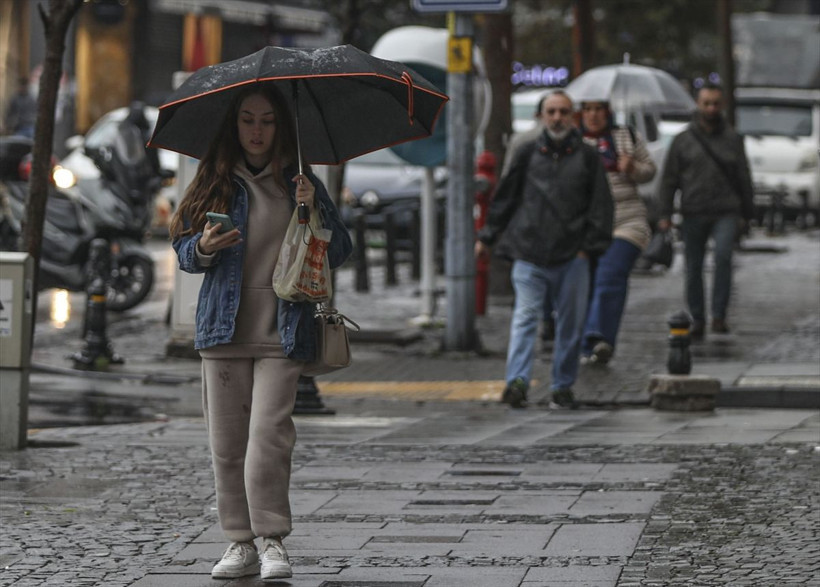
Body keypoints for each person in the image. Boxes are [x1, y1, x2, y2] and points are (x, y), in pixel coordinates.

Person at [169, 84, 352, 581]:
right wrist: (205, 245)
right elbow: (184, 251)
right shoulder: (214, 180)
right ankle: (240, 543)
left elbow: (339, 250)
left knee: (270, 435)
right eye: (248, 119)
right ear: (235, 125)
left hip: (284, 328)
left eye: (267, 120)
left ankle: (272, 539)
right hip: (222, 329)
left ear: (280, 127)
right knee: (227, 443)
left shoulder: (299, 180)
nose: (256, 130)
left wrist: (314, 208)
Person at [476, 90, 613, 409]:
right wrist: (487, 236)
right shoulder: (527, 152)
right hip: (530, 251)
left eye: (563, 112)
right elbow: (506, 198)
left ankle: (562, 385)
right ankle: (517, 381)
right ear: (541, 116)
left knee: (570, 324)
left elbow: (600, 207)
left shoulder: (588, 157)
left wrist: (587, 248)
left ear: (572, 117)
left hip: (572, 255)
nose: (557, 118)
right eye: (551, 111)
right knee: (525, 317)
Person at [658, 82, 754, 338]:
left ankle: (719, 315)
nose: (711, 108)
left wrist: (747, 212)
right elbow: (669, 179)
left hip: (726, 211)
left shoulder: (732, 138)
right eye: (706, 103)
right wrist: (664, 214)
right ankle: (698, 316)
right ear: (698, 105)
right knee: (693, 267)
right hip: (693, 211)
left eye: (715, 103)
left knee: (723, 258)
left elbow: (743, 176)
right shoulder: (683, 140)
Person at [579, 101, 656, 364]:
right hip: (588, 223)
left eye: (599, 109)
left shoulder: (627, 136)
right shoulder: (575, 140)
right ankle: (598, 343)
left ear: (608, 112)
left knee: (610, 274)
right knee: (588, 284)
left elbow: (650, 171)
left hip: (627, 220)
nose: (593, 115)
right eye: (587, 109)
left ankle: (595, 335)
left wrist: (632, 167)